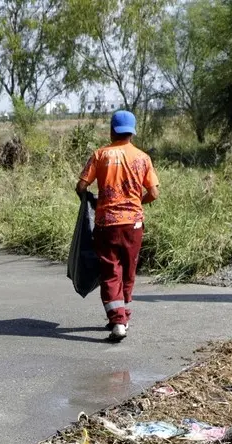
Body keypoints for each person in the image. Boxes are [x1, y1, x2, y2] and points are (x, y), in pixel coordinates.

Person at [75, 110, 160, 342]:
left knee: (111, 272)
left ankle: (117, 321)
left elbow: (81, 186)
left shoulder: (100, 155)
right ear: (132, 132)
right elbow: (154, 192)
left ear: (112, 130)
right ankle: (125, 317)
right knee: (128, 272)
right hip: (133, 225)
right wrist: (136, 202)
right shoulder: (142, 158)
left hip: (106, 225)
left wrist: (91, 201)